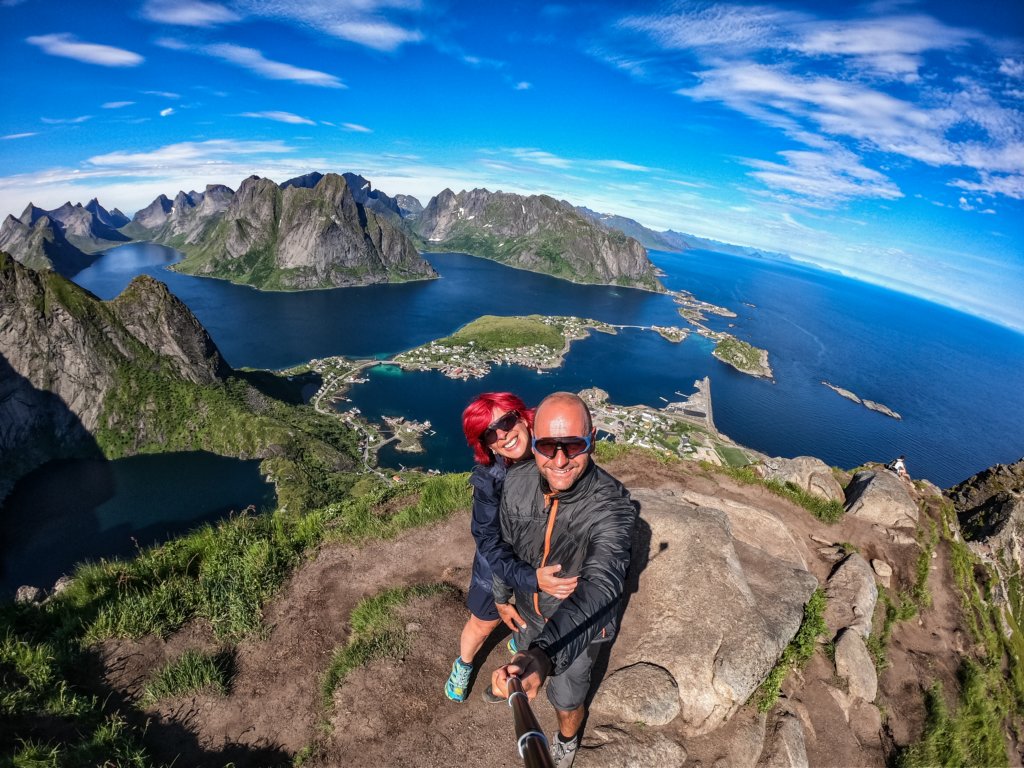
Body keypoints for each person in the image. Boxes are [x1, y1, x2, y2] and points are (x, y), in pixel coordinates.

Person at [489, 392, 636, 768]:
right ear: (533, 442)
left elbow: (601, 586)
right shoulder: (517, 482)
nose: (559, 460)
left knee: (568, 700)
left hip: (579, 629)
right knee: (525, 663)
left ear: (592, 439)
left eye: (572, 445)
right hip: (527, 614)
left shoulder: (612, 506)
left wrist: (544, 655)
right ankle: (518, 684)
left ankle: (567, 740)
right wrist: (502, 597)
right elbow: (504, 544)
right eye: (547, 446)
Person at [444, 392, 578, 703]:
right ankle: (464, 664)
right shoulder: (491, 480)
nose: (502, 435)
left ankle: (521, 640)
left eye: (505, 422)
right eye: (489, 434)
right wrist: (516, 585)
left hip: (545, 562)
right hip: (499, 567)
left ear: (523, 417)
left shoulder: (557, 457)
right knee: (483, 623)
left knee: (533, 617)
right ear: (486, 446)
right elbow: (488, 539)